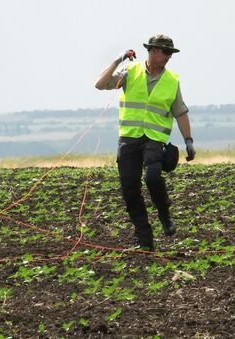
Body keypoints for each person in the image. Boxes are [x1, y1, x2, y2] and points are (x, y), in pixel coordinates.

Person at [95, 34, 195, 250]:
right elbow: (100, 84)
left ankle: (164, 213)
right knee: (129, 188)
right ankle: (145, 239)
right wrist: (118, 59)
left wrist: (189, 140)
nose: (169, 56)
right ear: (153, 51)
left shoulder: (172, 81)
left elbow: (181, 113)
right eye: (166, 52)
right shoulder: (131, 73)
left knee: (152, 178)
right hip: (129, 139)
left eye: (171, 53)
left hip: (154, 140)